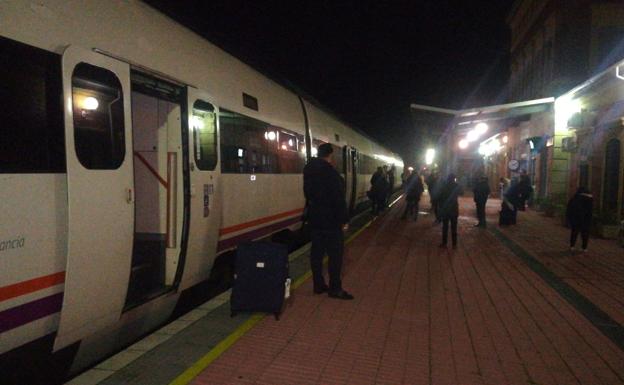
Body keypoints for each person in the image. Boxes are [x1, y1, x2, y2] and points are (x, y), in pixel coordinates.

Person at [303, 143, 354, 300]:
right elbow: (338, 200)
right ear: (330, 155)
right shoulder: (331, 173)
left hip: (315, 219)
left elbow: (307, 193)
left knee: (316, 254)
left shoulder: (308, 170)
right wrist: (344, 220)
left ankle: (318, 285)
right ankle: (335, 288)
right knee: (335, 256)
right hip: (331, 221)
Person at [566, 187, 593, 252]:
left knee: (574, 232)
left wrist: (569, 218)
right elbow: (590, 211)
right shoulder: (590, 199)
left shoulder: (575, 198)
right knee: (585, 234)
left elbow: (569, 209)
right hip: (586, 219)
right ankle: (584, 247)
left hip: (576, 218)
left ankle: (572, 246)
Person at [437, 174, 460, 249]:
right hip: (454, 209)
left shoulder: (444, 186)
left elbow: (440, 197)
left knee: (445, 227)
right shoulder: (456, 186)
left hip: (446, 209)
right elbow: (461, 192)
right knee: (454, 227)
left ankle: (444, 243)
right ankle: (454, 244)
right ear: (454, 179)